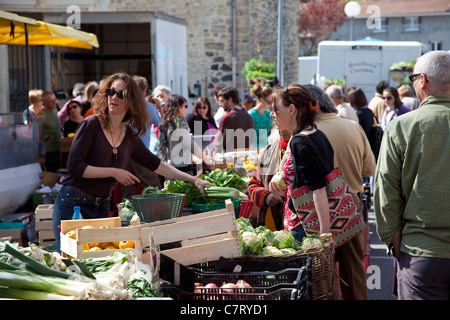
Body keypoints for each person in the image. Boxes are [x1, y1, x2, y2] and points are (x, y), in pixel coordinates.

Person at [52, 73, 212, 253]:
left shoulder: (129, 136)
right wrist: (113, 172)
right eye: (111, 92)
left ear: (131, 100)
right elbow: (74, 167)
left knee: (97, 262)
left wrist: (194, 180)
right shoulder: (91, 125)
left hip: (101, 207)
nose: (114, 97)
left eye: (121, 94)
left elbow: (156, 164)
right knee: (70, 261)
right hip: (73, 203)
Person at [374, 51, 450, 300]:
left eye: (412, 77)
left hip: (421, 252)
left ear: (423, 80)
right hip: (420, 248)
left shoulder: (402, 126)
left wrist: (391, 235)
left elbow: (385, 186)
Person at [305, 84, 376, 300]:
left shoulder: (305, 133)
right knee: (353, 271)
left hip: (315, 208)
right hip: (350, 203)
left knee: (321, 276)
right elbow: (369, 169)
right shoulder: (352, 126)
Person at [268, 84, 334, 244]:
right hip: (307, 225)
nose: (272, 115)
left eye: (276, 110)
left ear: (291, 110)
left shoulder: (300, 142)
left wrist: (325, 234)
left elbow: (318, 189)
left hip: (303, 227)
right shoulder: (317, 134)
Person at [120, 75, 163, 199]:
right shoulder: (148, 106)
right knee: (154, 190)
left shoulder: (124, 106)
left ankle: (130, 217)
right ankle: (159, 217)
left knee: (128, 194)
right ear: (144, 91)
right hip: (142, 154)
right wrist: (159, 107)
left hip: (124, 154)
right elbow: (162, 126)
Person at [247, 129, 291, 230]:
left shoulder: (304, 149)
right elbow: (253, 185)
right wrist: (266, 196)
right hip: (272, 224)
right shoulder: (268, 152)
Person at [157, 94, 208, 175]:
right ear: (179, 107)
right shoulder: (177, 123)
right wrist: (206, 160)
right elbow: (191, 145)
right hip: (180, 169)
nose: (186, 109)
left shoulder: (167, 122)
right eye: (185, 106)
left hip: (170, 167)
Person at [213, 86, 255, 154]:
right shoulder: (249, 117)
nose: (220, 104)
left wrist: (215, 157)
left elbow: (219, 142)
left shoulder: (228, 117)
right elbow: (251, 140)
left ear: (230, 100)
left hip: (230, 160)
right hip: (245, 159)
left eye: (222, 101)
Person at [36, 90, 62, 173]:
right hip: (48, 152)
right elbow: (38, 136)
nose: (54, 102)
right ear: (45, 102)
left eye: (55, 100)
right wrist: (40, 155)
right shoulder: (41, 115)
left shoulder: (54, 111)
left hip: (57, 149)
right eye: (51, 101)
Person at [247, 84, 274, 149]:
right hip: (253, 150)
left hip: (267, 149)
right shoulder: (250, 115)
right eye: (269, 102)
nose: (271, 105)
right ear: (261, 100)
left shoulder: (269, 114)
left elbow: (276, 130)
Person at [149, 85, 172, 155]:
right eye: (157, 96)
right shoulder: (151, 113)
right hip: (153, 153)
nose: (159, 99)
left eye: (162, 96)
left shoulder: (171, 115)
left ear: (168, 99)